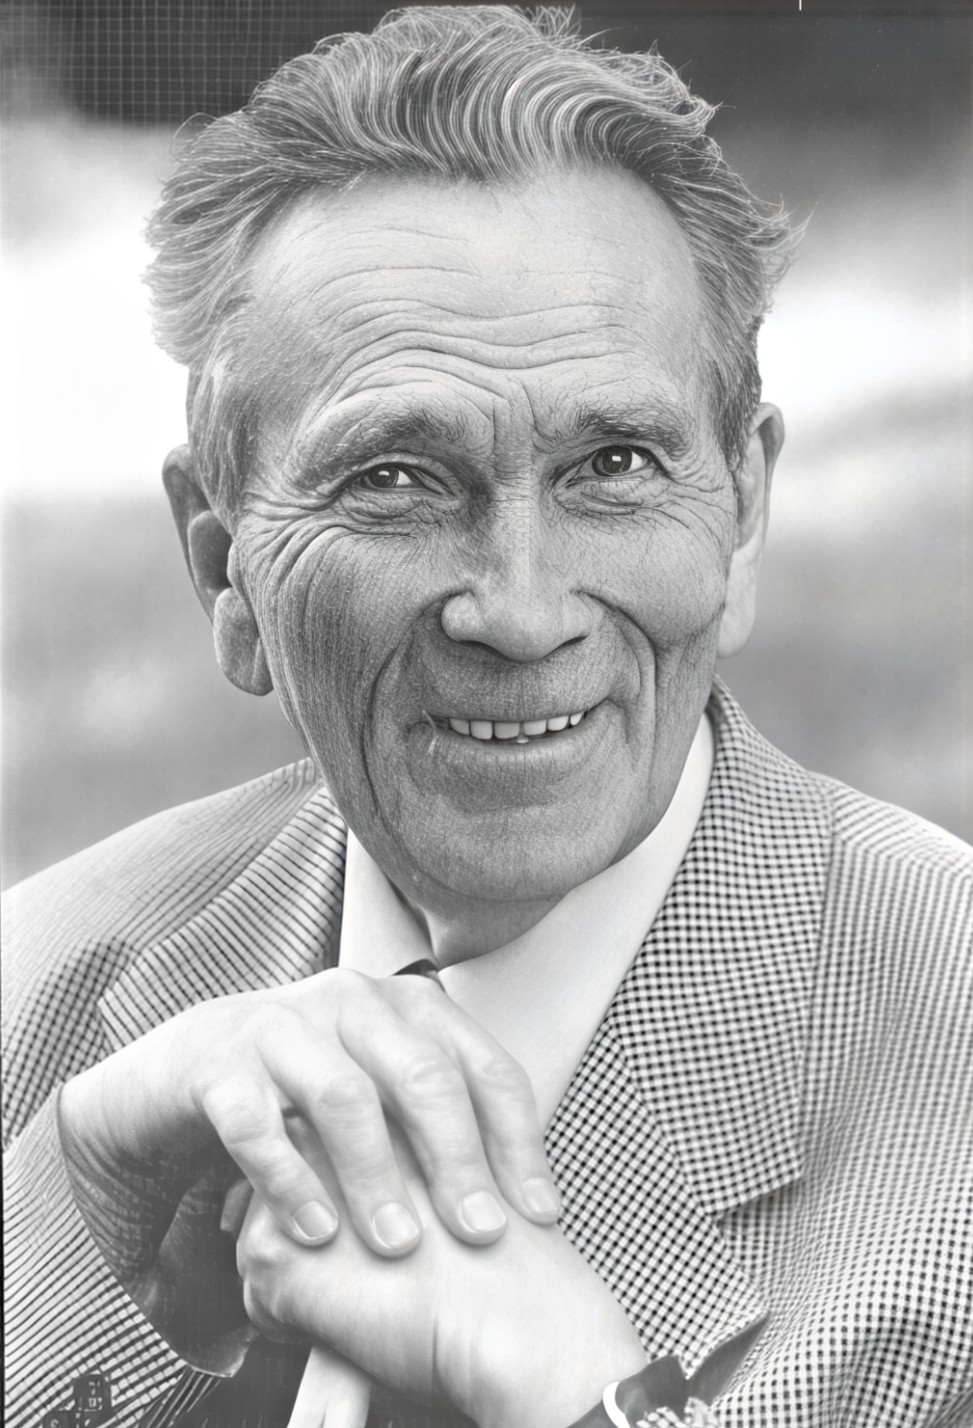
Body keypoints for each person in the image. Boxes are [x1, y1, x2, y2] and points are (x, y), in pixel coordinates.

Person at [4, 7, 971, 1428]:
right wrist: (64, 1238)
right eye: (395, 480)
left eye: (614, 464)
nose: (520, 612)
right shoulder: (38, 998)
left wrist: (588, 1404)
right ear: (222, 570)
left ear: (743, 513)